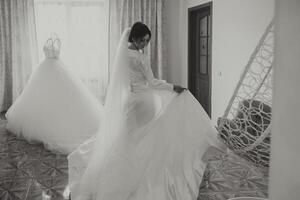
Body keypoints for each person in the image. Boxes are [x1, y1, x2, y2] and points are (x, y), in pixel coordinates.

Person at [68, 22, 225, 200]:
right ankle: (142, 172)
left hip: (130, 101)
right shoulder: (140, 58)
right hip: (145, 102)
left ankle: (125, 170)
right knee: (146, 138)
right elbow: (152, 83)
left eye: (147, 41)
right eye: (142, 40)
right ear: (134, 37)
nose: (144, 44)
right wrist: (173, 87)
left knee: (130, 138)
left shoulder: (122, 54)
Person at [5, 36, 103, 154]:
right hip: (45, 70)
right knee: (41, 95)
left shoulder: (57, 42)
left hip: (57, 69)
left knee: (62, 97)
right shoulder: (51, 44)